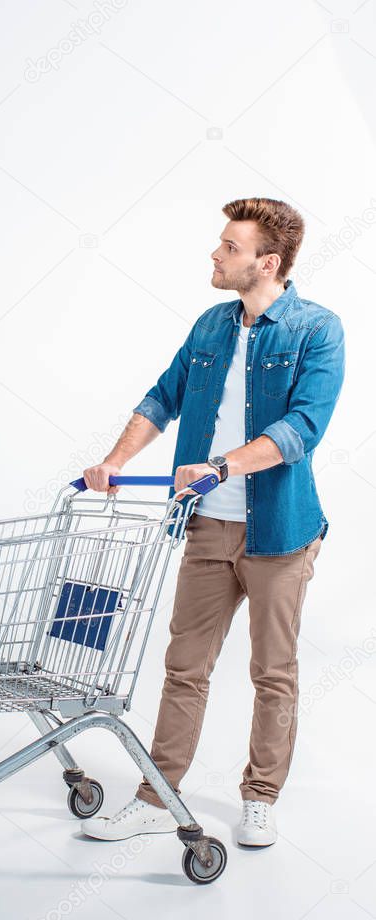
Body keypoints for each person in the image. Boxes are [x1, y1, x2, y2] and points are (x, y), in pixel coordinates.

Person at [80, 197, 345, 848]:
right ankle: (156, 795)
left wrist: (219, 468)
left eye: (229, 246)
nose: (215, 253)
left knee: (271, 673)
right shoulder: (208, 326)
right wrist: (112, 462)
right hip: (204, 529)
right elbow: (162, 396)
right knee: (183, 667)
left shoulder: (317, 329)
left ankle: (259, 797)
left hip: (279, 533)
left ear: (267, 262)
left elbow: (300, 430)